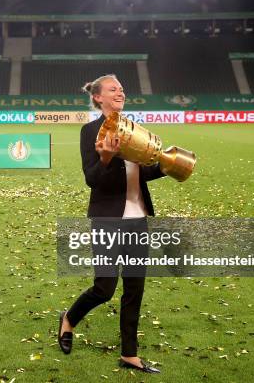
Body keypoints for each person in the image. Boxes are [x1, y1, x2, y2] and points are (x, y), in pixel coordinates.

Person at [57, 74, 164, 374]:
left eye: (122, 89)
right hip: (106, 218)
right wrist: (105, 158)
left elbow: (139, 174)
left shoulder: (133, 129)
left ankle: (129, 354)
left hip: (138, 218)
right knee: (104, 288)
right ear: (98, 98)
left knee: (135, 288)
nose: (120, 92)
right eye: (113, 89)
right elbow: (92, 178)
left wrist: (166, 167)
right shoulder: (90, 130)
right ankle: (69, 318)